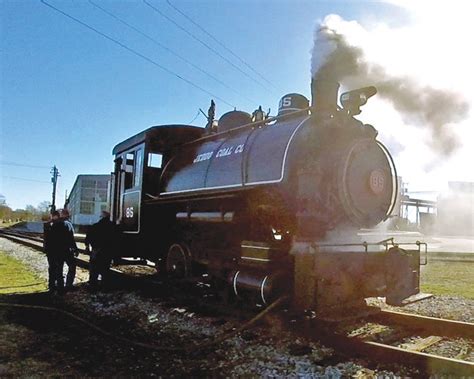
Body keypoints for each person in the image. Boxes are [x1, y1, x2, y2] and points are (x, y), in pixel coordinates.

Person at [85, 210, 116, 291]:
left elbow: (88, 237)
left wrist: (88, 246)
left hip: (96, 251)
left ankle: (93, 286)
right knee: (105, 270)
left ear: (101, 217)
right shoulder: (112, 226)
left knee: (94, 270)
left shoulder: (95, 226)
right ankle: (104, 287)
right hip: (107, 251)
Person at [43, 210, 70, 294]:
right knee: (59, 270)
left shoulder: (50, 226)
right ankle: (60, 289)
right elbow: (67, 238)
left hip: (51, 251)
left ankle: (52, 287)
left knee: (52, 269)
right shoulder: (63, 224)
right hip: (60, 251)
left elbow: (46, 238)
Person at [60, 208, 78, 291]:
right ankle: (68, 285)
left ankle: (57, 285)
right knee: (72, 266)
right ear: (67, 215)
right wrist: (75, 249)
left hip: (56, 250)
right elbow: (71, 238)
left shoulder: (53, 224)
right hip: (66, 250)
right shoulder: (68, 224)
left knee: (58, 268)